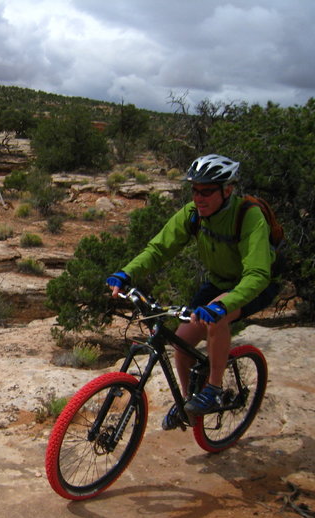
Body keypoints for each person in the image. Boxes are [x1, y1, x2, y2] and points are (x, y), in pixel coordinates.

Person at [107, 154, 280, 430]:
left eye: (207, 191)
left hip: (255, 284)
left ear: (227, 190)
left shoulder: (248, 216)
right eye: (195, 190)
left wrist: (222, 306)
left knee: (216, 318)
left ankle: (213, 388)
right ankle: (187, 403)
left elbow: (257, 274)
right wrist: (126, 272)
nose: (199, 198)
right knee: (181, 341)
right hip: (218, 282)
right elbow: (159, 248)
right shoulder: (192, 214)